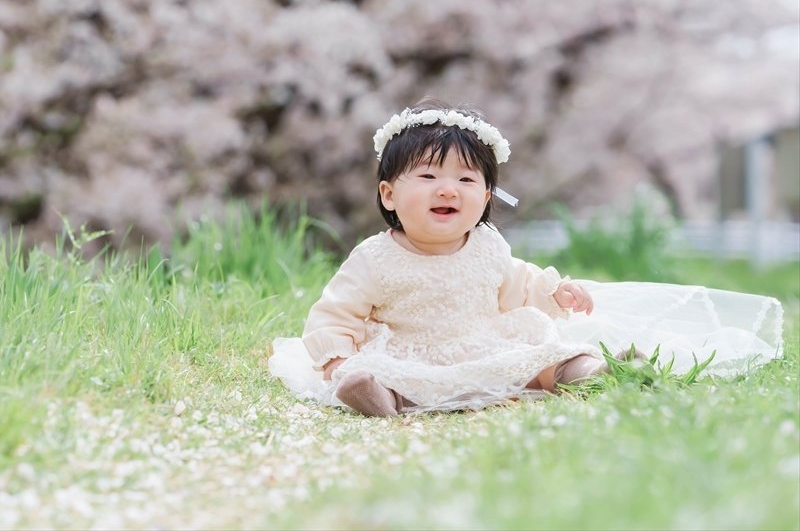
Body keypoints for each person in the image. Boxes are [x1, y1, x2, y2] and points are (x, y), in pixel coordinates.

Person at [268, 98, 784, 417]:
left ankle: (579, 369)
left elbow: (516, 282)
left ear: (487, 197)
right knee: (397, 378)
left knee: (536, 355)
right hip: (413, 349)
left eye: (467, 180)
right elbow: (335, 313)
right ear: (388, 195)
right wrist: (338, 361)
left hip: (483, 339)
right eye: (427, 177)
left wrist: (553, 292)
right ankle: (371, 393)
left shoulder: (488, 246)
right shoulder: (374, 259)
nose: (448, 189)